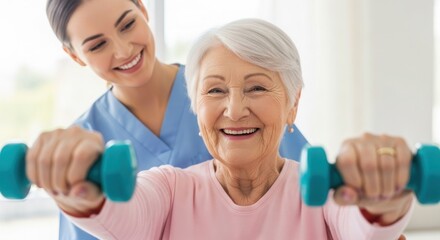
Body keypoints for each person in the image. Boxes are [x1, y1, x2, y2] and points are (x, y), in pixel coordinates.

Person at [28, 18, 414, 239]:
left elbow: (366, 229)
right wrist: (78, 188)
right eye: (214, 91)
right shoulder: (169, 187)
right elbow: (121, 214)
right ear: (196, 106)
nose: (234, 109)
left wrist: (383, 197)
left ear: (293, 103)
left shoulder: (324, 192)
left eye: (257, 87)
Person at [42, 0, 308, 239]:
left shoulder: (223, 93)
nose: (123, 51)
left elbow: (306, 192)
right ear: (75, 56)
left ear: (143, 10)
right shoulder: (81, 147)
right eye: (98, 45)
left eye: (127, 24)